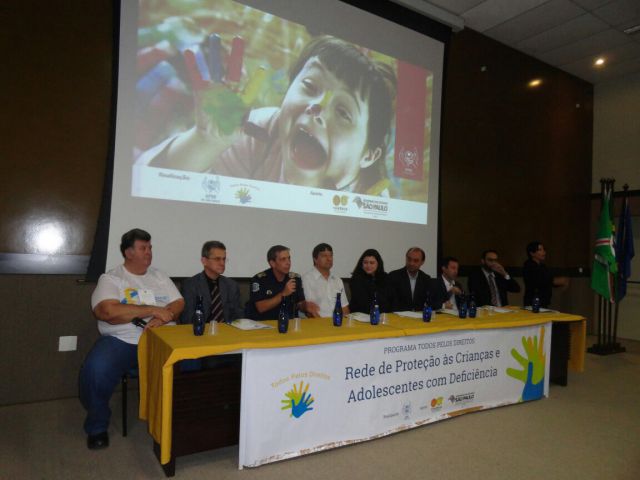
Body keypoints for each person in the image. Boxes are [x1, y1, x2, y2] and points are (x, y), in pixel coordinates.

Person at [139, 35, 396, 196]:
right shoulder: (259, 131)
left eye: (343, 112)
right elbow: (152, 186)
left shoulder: (369, 196)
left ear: (368, 156)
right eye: (309, 86)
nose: (317, 109)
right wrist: (206, 141)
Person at [79, 229, 184, 450]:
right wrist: (152, 310)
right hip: (124, 341)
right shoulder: (112, 278)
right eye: (143, 248)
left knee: (197, 363)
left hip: (162, 339)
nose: (149, 252)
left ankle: (183, 417)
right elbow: (107, 311)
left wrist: (162, 318)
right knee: (95, 370)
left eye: (150, 247)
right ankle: (97, 426)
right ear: (128, 253)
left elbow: (178, 303)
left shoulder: (159, 276)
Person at [180, 241, 243, 325]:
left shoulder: (232, 285)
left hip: (228, 330)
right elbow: (187, 319)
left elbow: (239, 317)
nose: (222, 263)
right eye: (217, 259)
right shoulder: (190, 285)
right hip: (201, 330)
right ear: (204, 261)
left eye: (224, 259)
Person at [246, 245, 316, 320]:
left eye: (289, 258)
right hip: (264, 323)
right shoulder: (259, 279)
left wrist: (305, 306)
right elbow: (261, 307)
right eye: (283, 259)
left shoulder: (295, 278)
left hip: (289, 323)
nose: (288, 262)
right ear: (272, 263)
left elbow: (299, 304)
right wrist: (283, 294)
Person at [302, 243, 350, 318]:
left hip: (338, 323)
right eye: (324, 256)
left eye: (331, 255)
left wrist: (345, 323)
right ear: (315, 259)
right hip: (318, 323)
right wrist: (323, 324)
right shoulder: (307, 279)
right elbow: (310, 311)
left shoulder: (337, 280)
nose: (329, 259)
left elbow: (344, 308)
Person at [522, 241, 569, 308]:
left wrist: (560, 282)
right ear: (532, 253)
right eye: (540, 250)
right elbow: (540, 280)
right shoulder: (529, 266)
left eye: (544, 250)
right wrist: (557, 281)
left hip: (543, 302)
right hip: (532, 302)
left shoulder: (543, 266)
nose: (544, 252)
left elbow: (549, 280)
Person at [349, 249, 394, 313]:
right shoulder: (356, 279)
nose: (368, 265)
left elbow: (389, 300)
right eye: (365, 262)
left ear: (378, 264)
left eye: (372, 263)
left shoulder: (385, 277)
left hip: (383, 314)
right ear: (361, 264)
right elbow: (362, 303)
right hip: (361, 315)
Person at [388, 247, 433, 311]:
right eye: (409, 259)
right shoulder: (394, 276)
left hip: (419, 316)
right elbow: (391, 302)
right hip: (399, 315)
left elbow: (429, 301)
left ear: (422, 262)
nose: (411, 263)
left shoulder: (426, 279)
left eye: (416, 260)